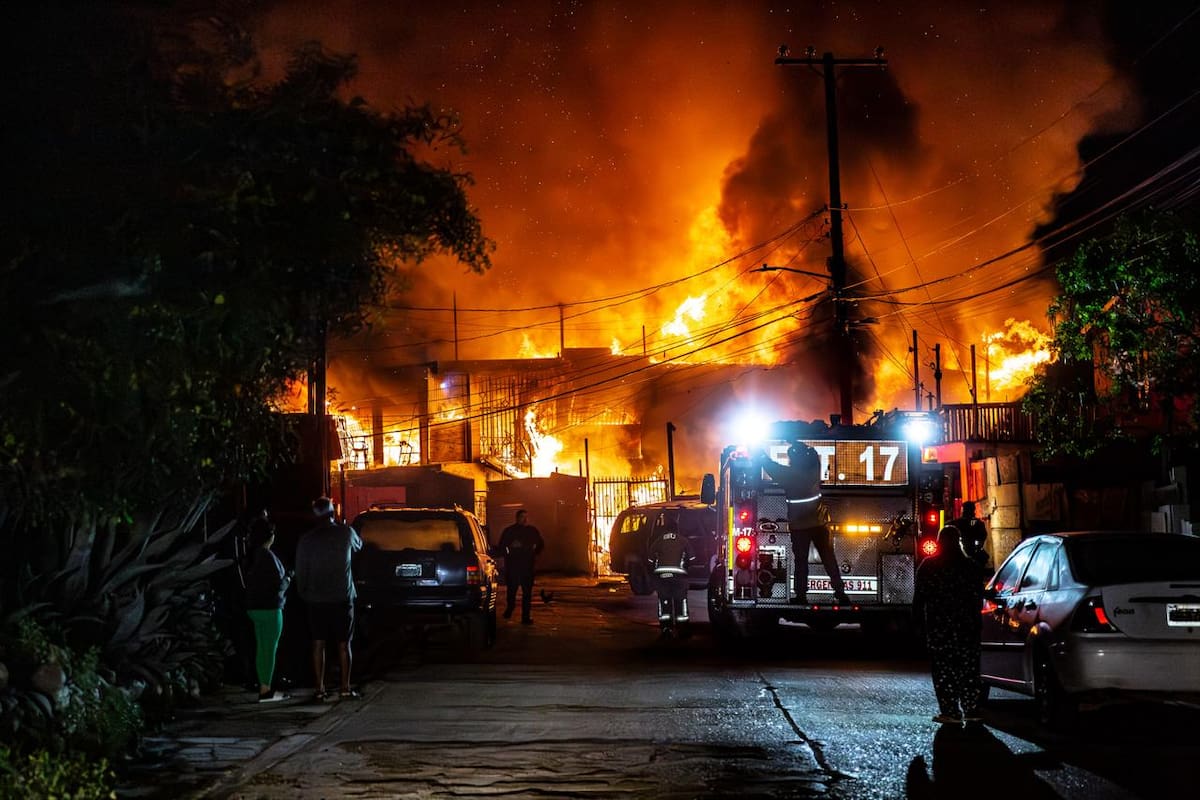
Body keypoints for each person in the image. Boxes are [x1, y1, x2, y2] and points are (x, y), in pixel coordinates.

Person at [758, 443, 849, 605]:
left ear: (793, 459)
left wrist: (759, 452)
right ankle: (841, 593)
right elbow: (813, 453)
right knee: (829, 559)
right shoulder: (813, 470)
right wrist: (798, 443)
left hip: (800, 527)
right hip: (819, 523)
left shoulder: (789, 475)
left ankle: (801, 596)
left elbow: (771, 467)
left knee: (801, 562)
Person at [912, 525, 985, 725]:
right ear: (958, 542)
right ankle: (971, 708)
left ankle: (950, 710)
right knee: (969, 669)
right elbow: (978, 597)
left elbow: (919, 598)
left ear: (940, 543)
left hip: (939, 627)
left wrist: (917, 624)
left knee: (944, 670)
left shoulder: (929, 567)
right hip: (967, 627)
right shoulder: (970, 567)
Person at [294, 496, 363, 701]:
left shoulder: (306, 539)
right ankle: (345, 687)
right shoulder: (346, 533)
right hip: (342, 597)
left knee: (318, 643)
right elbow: (359, 546)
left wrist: (304, 593)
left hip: (316, 599)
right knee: (344, 644)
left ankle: (319, 689)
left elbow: (300, 570)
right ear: (333, 513)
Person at [243, 514, 291, 703]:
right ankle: (266, 690)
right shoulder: (268, 556)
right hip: (271, 608)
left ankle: (264, 686)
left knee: (261, 648)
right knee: (270, 649)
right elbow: (278, 584)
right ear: (269, 536)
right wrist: (288, 578)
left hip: (254, 607)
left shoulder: (252, 556)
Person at [647, 518, 694, 639]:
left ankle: (666, 629)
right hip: (679, 576)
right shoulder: (683, 540)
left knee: (664, 602)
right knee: (680, 601)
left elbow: (650, 560)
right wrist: (685, 568)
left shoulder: (658, 541)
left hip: (662, 577)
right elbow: (692, 559)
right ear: (676, 529)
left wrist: (655, 572)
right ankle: (682, 629)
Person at [497, 509, 545, 624]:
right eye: (522, 517)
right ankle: (510, 607)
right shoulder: (509, 531)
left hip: (527, 566)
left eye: (526, 517)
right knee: (512, 590)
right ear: (517, 518)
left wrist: (533, 553)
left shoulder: (532, 531)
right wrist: (510, 550)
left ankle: (525, 616)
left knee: (527, 592)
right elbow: (502, 547)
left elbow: (540, 544)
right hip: (513, 565)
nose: (525, 519)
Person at [951, 501, 990, 571]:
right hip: (965, 553)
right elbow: (983, 536)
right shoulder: (977, 523)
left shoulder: (956, 523)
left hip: (970, 553)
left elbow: (982, 536)